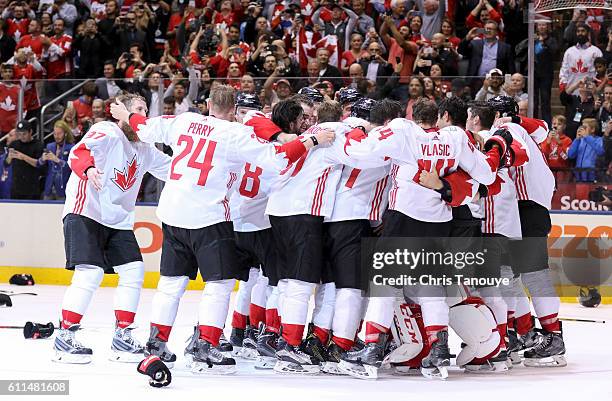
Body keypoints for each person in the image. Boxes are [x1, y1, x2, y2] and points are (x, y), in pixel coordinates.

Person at [110, 85, 333, 373]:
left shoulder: (183, 121)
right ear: (233, 110)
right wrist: (313, 140)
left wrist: (127, 115)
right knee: (219, 285)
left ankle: (156, 343)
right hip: (209, 217)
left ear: (208, 104)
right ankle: (207, 344)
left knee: (171, 283)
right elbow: (279, 158)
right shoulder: (235, 133)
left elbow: (144, 128)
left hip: (173, 214)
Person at [52, 93, 171, 364]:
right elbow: (79, 153)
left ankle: (122, 336)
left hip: (118, 220)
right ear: (122, 114)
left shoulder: (145, 148)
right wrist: (89, 170)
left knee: (134, 270)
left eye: (145, 110)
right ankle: (65, 336)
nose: (143, 116)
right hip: (86, 211)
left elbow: (174, 170)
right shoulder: (106, 131)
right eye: (138, 110)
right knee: (90, 273)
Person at [459, 21, 515, 88]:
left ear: (496, 32)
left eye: (491, 29)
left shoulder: (505, 47)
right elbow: (461, 51)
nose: (488, 31)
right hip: (476, 82)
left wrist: (508, 85)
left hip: (496, 83)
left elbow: (510, 69)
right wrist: (468, 37)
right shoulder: (475, 44)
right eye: (486, 29)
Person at [559, 23, 603, 96]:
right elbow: (564, 70)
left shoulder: (596, 51)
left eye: (583, 31)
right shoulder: (569, 51)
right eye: (578, 31)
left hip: (589, 92)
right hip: (571, 91)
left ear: (588, 33)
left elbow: (600, 72)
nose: (580, 33)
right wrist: (563, 85)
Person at [3, 120, 42, 200]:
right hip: (16, 189)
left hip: (32, 189)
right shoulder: (14, 144)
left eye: (24, 134)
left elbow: (39, 165)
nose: (22, 137)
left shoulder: (38, 145)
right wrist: (9, 157)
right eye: (19, 134)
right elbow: (6, 164)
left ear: (30, 132)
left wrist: (23, 157)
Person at [38, 120, 74, 200]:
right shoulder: (50, 146)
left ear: (65, 133)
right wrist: (42, 160)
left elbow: (71, 168)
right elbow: (39, 165)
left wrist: (58, 160)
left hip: (64, 188)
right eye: (55, 133)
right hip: (49, 187)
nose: (56, 136)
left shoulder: (72, 148)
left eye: (59, 133)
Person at [534, 21, 558, 126]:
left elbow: (555, 52)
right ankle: (533, 121)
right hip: (534, 73)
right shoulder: (533, 39)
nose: (542, 27)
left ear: (547, 27)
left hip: (546, 73)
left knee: (545, 100)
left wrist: (544, 43)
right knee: (533, 100)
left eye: (544, 25)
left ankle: (546, 124)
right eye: (540, 24)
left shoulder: (552, 40)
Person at [541, 115, 573, 182]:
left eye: (559, 124)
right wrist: (548, 143)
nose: (556, 126)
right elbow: (543, 155)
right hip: (549, 171)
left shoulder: (567, 140)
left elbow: (565, 157)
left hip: (562, 171)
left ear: (564, 126)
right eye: (554, 124)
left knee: (561, 191)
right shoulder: (546, 139)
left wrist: (559, 143)